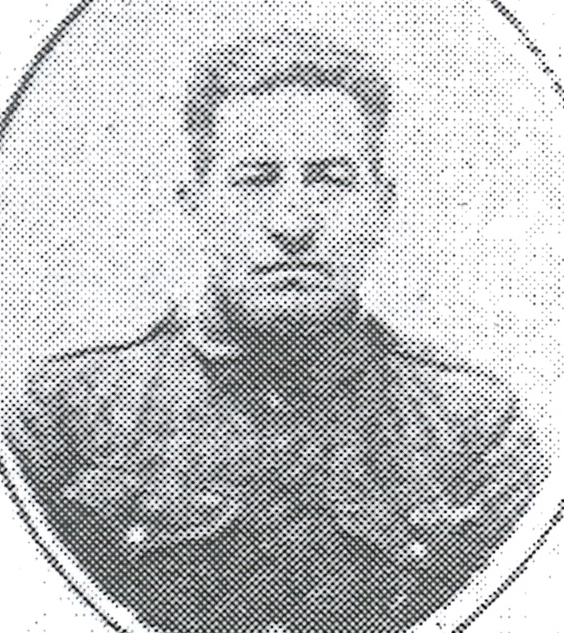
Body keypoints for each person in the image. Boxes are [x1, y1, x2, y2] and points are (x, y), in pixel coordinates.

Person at [7, 30, 549, 633]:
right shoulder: (68, 413)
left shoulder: (472, 424)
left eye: (331, 180)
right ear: (196, 205)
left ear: (381, 205)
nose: (293, 223)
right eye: (255, 180)